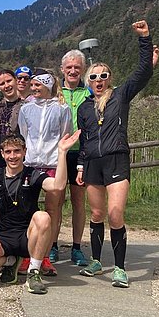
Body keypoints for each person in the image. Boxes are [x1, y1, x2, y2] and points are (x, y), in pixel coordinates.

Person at [76, 20, 156, 288]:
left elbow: (144, 71)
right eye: (93, 77)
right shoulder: (84, 109)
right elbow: (84, 141)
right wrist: (80, 167)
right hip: (92, 164)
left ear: (110, 78)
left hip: (116, 160)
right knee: (97, 214)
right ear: (88, 82)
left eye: (103, 76)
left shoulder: (120, 96)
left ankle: (120, 268)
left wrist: (144, 38)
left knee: (115, 214)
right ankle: (96, 262)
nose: (98, 80)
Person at [0, 131, 80, 294]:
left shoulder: (33, 174)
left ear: (24, 152)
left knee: (43, 217)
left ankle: (33, 272)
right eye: (8, 152)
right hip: (4, 235)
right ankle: (10, 261)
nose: (12, 156)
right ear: (2, 154)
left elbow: (58, 186)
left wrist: (62, 152)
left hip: (28, 236)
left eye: (17, 151)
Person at [17, 69, 72, 276]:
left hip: (53, 165)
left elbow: (65, 135)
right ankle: (27, 254)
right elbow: (24, 135)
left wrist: (57, 157)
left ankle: (45, 256)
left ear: (48, 85)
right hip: (30, 164)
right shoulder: (26, 109)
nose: (33, 88)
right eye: (31, 85)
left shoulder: (62, 108)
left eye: (37, 85)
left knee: (52, 211)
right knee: (27, 210)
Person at [60, 50, 93, 267]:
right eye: (69, 67)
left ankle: (77, 247)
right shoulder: (55, 91)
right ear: (62, 69)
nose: (73, 71)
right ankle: (52, 245)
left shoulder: (89, 92)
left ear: (82, 70)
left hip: (81, 153)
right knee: (55, 202)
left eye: (77, 67)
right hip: (59, 154)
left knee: (78, 201)